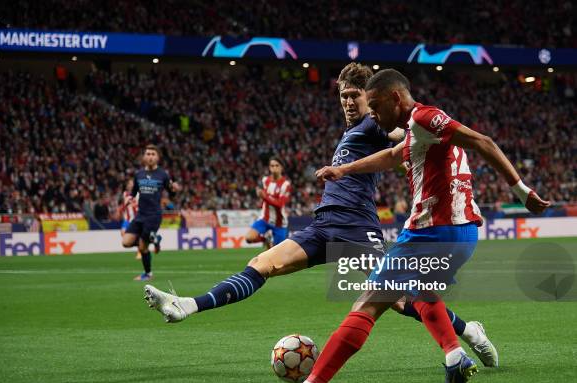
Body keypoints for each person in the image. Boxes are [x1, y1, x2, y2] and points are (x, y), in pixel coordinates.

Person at [142, 64, 497, 367]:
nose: (347, 102)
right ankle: (187, 305)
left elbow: (404, 133)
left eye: (354, 96)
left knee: (401, 298)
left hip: (357, 228)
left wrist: (420, 134)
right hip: (323, 224)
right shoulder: (350, 132)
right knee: (262, 264)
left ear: (369, 98)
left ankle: (468, 331)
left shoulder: (375, 124)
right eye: (343, 95)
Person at [264, 68, 550, 383]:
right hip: (464, 234)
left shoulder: (425, 119)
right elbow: (391, 157)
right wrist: (343, 169)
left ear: (395, 98)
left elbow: (483, 141)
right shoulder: (429, 132)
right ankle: (455, 357)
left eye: (375, 106)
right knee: (422, 292)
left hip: (430, 233)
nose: (373, 114)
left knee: (368, 303)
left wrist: (521, 191)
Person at [122, 145, 180, 281]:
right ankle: (154, 239)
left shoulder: (163, 175)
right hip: (140, 215)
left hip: (154, 215)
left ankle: (147, 274)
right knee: (126, 242)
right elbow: (134, 192)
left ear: (157, 157)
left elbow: (172, 194)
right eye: (148, 153)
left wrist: (174, 189)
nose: (150, 156)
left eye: (153, 154)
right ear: (144, 157)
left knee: (143, 247)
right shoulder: (139, 174)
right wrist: (129, 198)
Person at [245, 157, 291, 249]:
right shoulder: (265, 180)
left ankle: (272, 244)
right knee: (249, 238)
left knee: (276, 255)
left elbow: (280, 204)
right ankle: (266, 239)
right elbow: (265, 198)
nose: (274, 168)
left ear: (281, 167)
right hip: (265, 218)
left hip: (279, 222)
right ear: (269, 168)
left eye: (277, 165)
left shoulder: (285, 184)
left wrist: (264, 197)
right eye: (272, 166)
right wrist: (261, 198)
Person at [120, 179, 141, 259]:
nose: (131, 185)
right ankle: (138, 243)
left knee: (137, 234)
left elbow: (138, 205)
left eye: (132, 183)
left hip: (135, 218)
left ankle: (139, 252)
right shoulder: (125, 194)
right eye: (129, 183)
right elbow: (124, 205)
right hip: (127, 218)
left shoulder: (138, 194)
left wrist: (134, 204)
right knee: (123, 233)